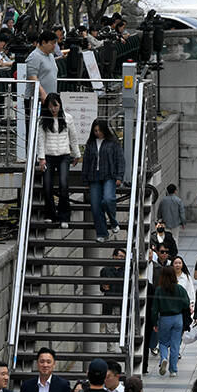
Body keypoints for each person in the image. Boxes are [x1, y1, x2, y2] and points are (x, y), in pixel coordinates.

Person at [36, 93, 80, 227]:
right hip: (48, 157)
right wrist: (41, 158)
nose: (53, 109)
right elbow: (41, 140)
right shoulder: (43, 120)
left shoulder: (68, 118)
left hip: (64, 156)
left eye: (55, 105)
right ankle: (50, 214)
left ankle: (64, 217)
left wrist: (77, 154)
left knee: (63, 185)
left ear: (60, 105)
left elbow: (73, 137)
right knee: (47, 186)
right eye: (50, 106)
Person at [81, 118, 125, 242]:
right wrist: (85, 180)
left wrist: (119, 176)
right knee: (95, 206)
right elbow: (86, 162)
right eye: (95, 131)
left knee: (108, 199)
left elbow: (120, 160)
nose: (97, 133)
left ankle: (112, 220)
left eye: (99, 130)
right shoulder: (90, 144)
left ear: (105, 130)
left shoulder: (113, 143)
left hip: (109, 176)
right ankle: (102, 233)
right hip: (94, 177)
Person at [152, 266, 190, 377]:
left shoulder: (159, 290)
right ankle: (173, 370)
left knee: (163, 342)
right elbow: (186, 303)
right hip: (178, 318)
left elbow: (155, 308)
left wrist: (154, 322)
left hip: (165, 318)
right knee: (175, 344)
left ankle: (164, 358)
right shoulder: (179, 289)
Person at [25, 29, 58, 134]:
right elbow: (32, 77)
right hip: (37, 99)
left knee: (47, 130)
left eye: (55, 43)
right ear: (43, 42)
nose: (54, 46)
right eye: (52, 43)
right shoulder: (34, 56)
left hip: (50, 99)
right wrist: (43, 93)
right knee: (35, 131)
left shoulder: (51, 56)